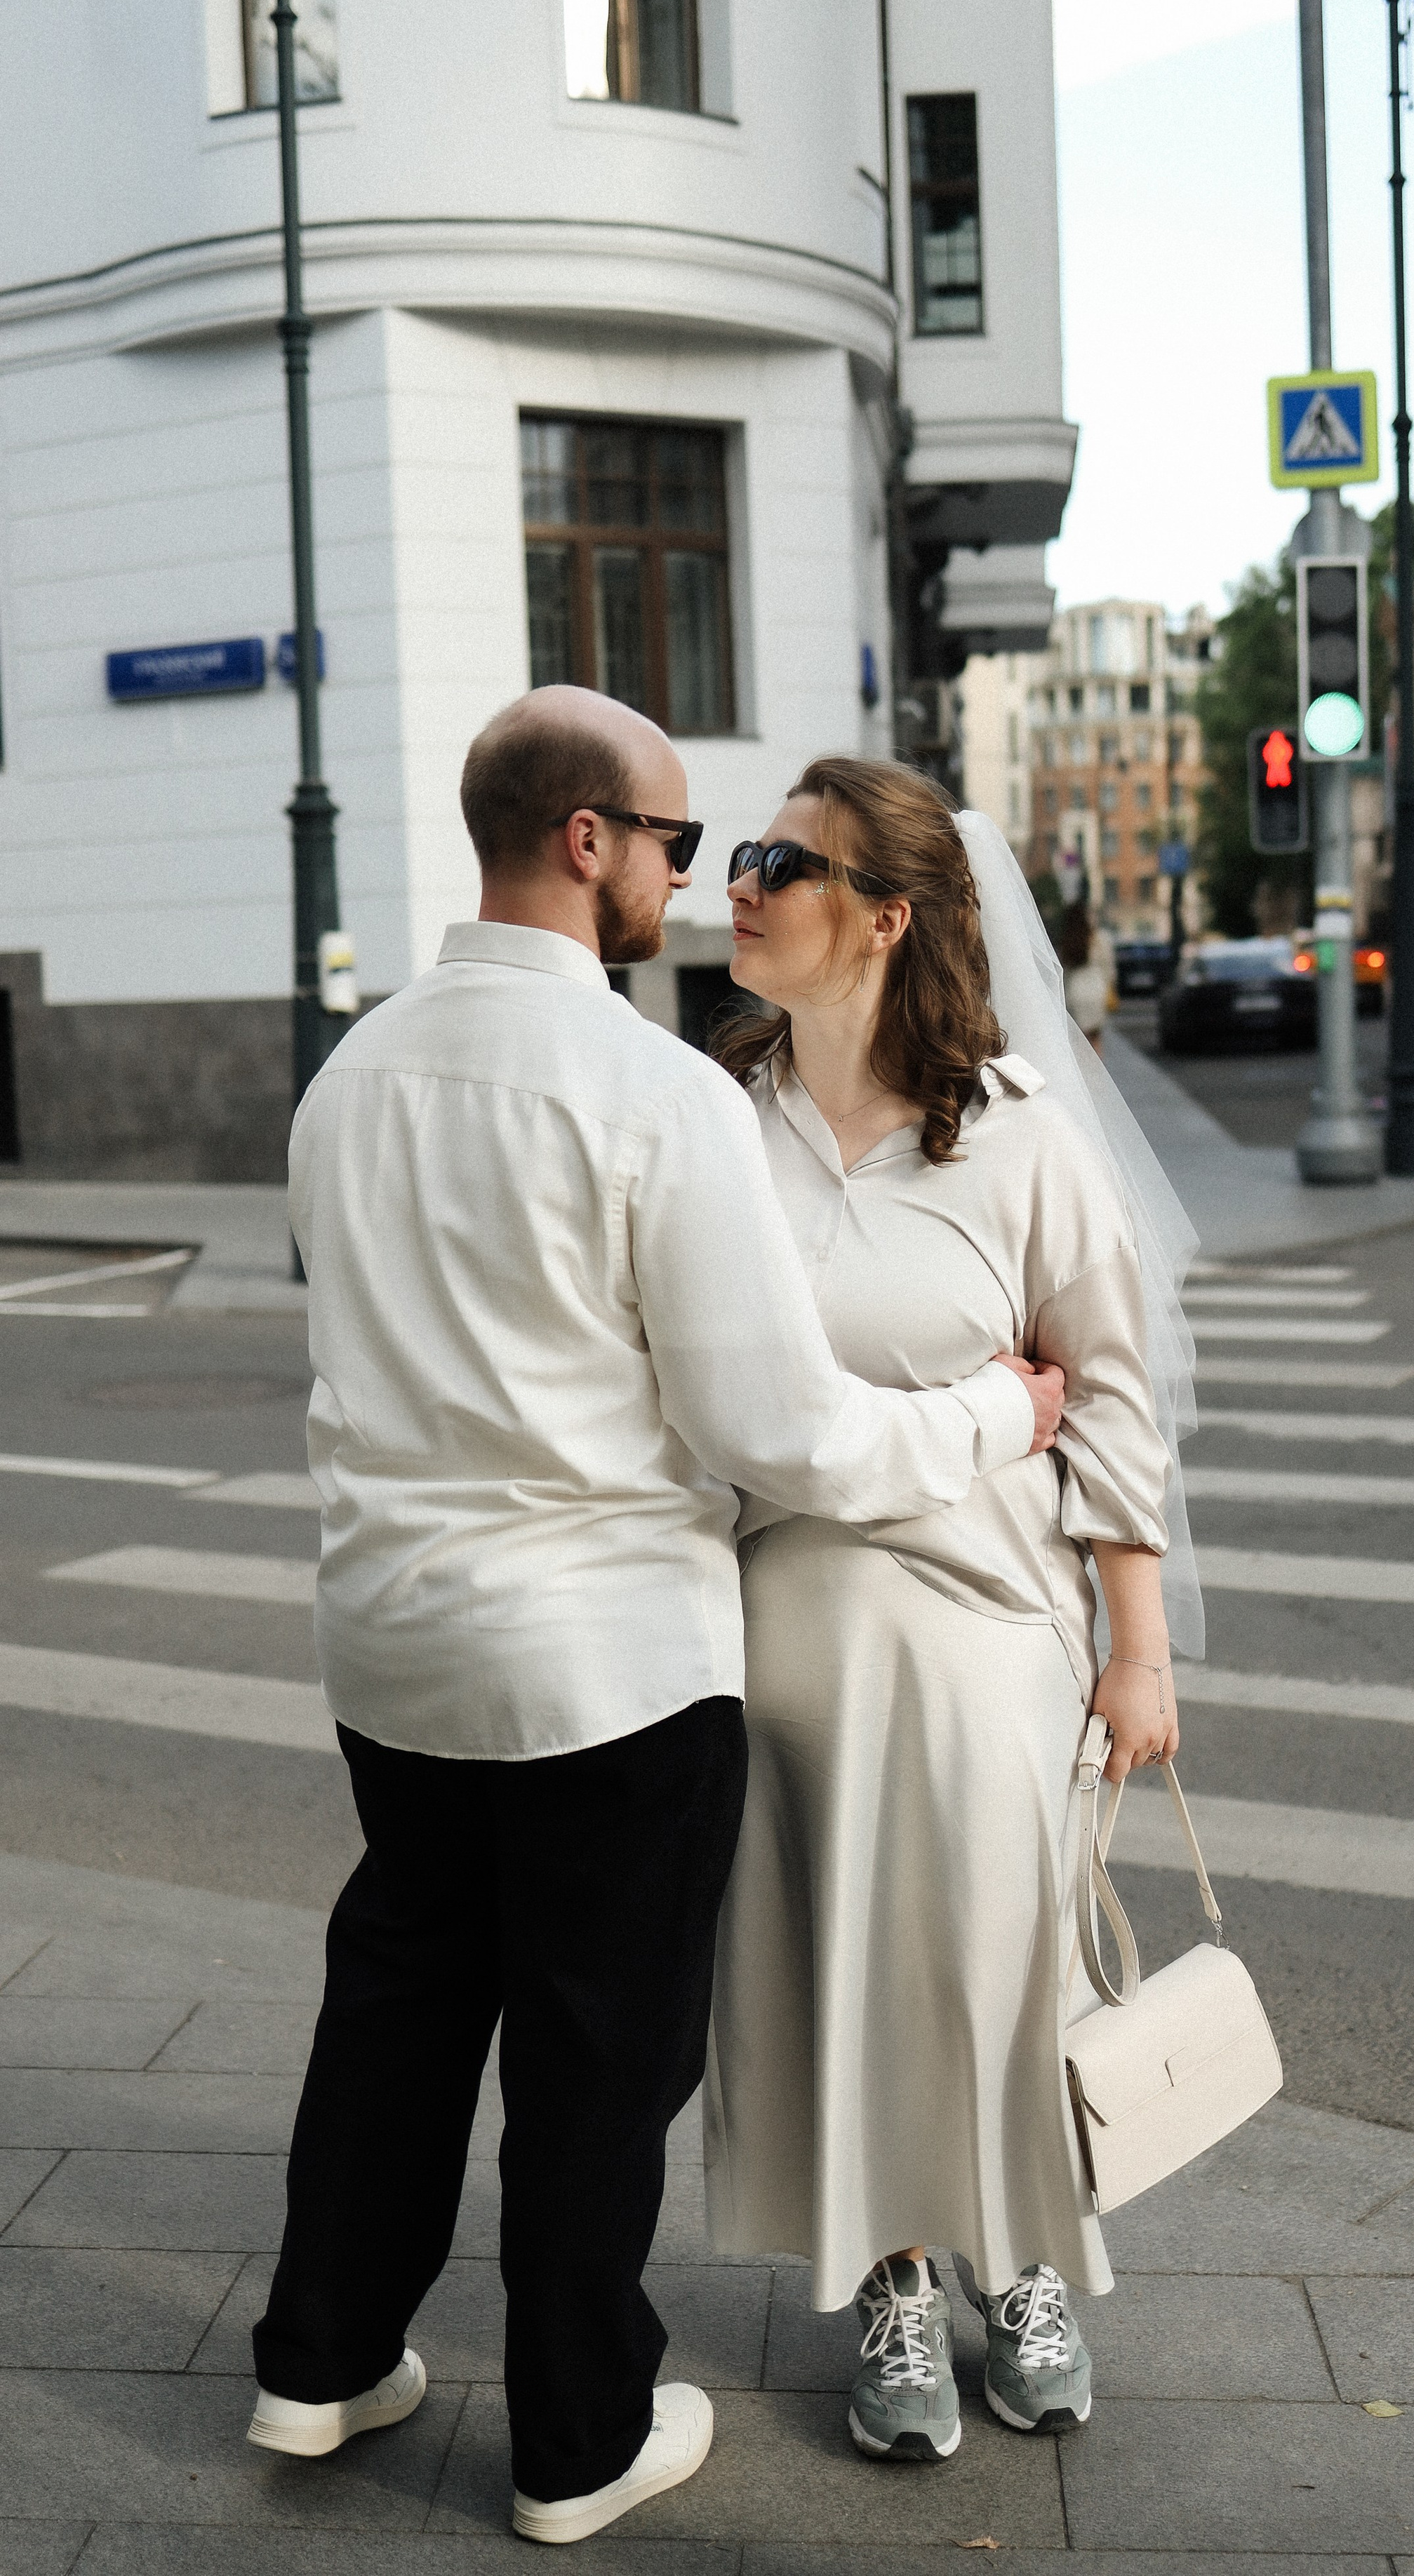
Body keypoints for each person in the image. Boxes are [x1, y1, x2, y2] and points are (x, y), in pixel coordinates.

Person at [246, 692, 1065, 2545]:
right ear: (590, 842)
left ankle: (320, 2361)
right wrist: (999, 1413)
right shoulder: (657, 1096)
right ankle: (576, 2443)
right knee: (595, 2060)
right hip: (606, 1656)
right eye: (684, 844)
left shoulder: (348, 1076)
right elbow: (778, 1428)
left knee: (398, 2005)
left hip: (390, 1638)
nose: (700, 881)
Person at [704, 760, 1204, 2464]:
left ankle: (1024, 2257)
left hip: (991, 1613)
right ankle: (893, 2274)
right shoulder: (712, 1123)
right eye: (742, 855)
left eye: (780, 860)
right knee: (838, 1966)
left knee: (996, 1948)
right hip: (777, 1620)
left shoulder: (1017, 1138)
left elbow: (1113, 1397)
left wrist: (1135, 1647)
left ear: (885, 914)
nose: (738, 881)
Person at [1057, 894, 1116, 1055]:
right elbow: (1109, 969)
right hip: (1096, 992)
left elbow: (1063, 971)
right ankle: (1097, 1077)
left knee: (1079, 1044)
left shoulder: (1067, 942)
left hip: (1074, 994)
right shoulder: (1099, 939)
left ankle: (1082, 1078)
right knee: (1096, 1040)